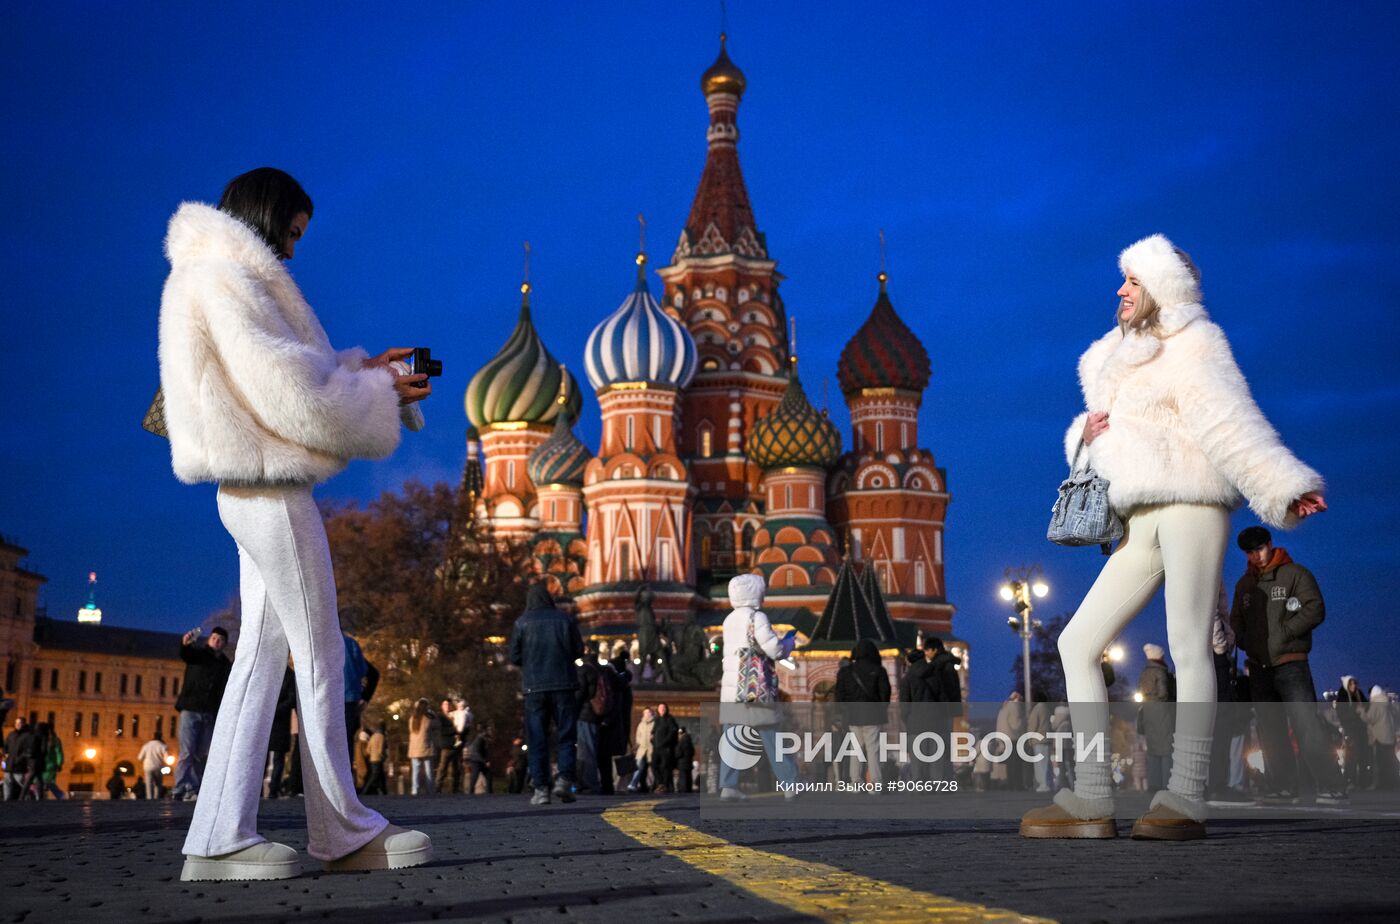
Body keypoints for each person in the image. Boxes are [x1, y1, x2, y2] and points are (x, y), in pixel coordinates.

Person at [158, 168, 432, 880]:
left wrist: (366, 369)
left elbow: (286, 374)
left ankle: (217, 837)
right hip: (271, 487)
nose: (292, 247)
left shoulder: (213, 273)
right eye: (292, 231)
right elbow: (287, 392)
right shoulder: (228, 279)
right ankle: (343, 831)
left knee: (261, 658)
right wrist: (375, 389)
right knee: (320, 653)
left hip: (249, 486)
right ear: (268, 216)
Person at [1022, 235, 1327, 842]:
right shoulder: (1113, 354)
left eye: (1134, 281)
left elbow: (1230, 423)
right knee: (1077, 642)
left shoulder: (1195, 343)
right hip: (1139, 515)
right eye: (1124, 279)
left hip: (1191, 502)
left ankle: (1185, 797)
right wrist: (1086, 436)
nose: (1121, 290)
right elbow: (1105, 442)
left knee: (1188, 647)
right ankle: (1091, 798)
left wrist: (1282, 486)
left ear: (1163, 287)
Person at [1229, 525, 1346, 805]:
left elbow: (1315, 608)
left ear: (1270, 544)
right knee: (1270, 731)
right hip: (1259, 667)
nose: (1255, 556)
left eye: (1259, 549)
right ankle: (1282, 786)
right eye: (1249, 552)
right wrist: (1246, 641)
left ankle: (1332, 786)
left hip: (1291, 664)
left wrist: (1285, 632)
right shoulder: (1244, 585)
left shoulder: (1295, 574)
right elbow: (1236, 620)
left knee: (1307, 725)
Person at [718, 574, 798, 800]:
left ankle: (728, 785)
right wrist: (788, 643)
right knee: (771, 736)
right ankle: (791, 784)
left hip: (732, 690)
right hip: (754, 688)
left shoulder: (729, 619)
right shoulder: (757, 617)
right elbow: (774, 650)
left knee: (732, 738)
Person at [509, 582, 583, 805]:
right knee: (566, 735)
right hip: (564, 685)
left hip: (534, 688)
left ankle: (541, 788)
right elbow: (578, 650)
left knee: (537, 738)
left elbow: (514, 656)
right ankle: (564, 780)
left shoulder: (522, 622)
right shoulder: (565, 620)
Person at [172, 626, 232, 802]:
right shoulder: (200, 654)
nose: (216, 641)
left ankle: (193, 788)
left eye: (220, 640)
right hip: (190, 709)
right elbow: (186, 654)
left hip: (209, 712)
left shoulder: (225, 664)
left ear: (224, 644)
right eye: (214, 638)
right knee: (187, 752)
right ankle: (180, 787)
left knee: (201, 753)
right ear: (209, 639)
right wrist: (185, 644)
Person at [834, 639, 891, 787]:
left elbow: (839, 695)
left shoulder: (845, 672)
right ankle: (876, 782)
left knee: (856, 749)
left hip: (853, 716)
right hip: (873, 716)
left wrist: (846, 711)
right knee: (873, 749)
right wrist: (881, 709)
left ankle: (855, 782)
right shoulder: (879, 670)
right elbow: (885, 694)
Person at [1137, 644, 1176, 792]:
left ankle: (1153, 783)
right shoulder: (1160, 672)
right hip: (1162, 713)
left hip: (1149, 713)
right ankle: (1167, 783)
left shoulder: (1144, 672)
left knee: (1153, 750)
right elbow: (1163, 693)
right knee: (1166, 750)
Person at [342, 633, 379, 769]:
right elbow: (370, 672)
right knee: (346, 744)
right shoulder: (349, 644)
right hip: (349, 701)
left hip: (329, 700)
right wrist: (364, 697)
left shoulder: (317, 643)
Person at [575, 641, 607, 794]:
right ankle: (590, 783)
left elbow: (580, 693)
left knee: (585, 751)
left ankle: (590, 784)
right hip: (596, 714)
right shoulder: (601, 668)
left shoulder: (584, 669)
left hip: (585, 714)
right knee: (591, 749)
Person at [1336, 675, 1371, 791]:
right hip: (1351, 729)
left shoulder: (1358, 694)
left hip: (1361, 729)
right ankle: (1350, 780)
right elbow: (1341, 714)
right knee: (1351, 755)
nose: (1354, 686)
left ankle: (1363, 781)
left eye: (1355, 683)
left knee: (1362, 755)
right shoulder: (1343, 696)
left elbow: (1367, 706)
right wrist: (1355, 714)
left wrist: (1362, 710)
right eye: (1351, 684)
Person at [266, 666, 296, 799]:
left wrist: (274, 709)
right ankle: (272, 789)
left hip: (278, 720)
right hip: (275, 718)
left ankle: (273, 788)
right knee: (272, 757)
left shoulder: (286, 674)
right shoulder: (287, 674)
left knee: (278, 757)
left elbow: (292, 698)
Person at [1364, 686, 1397, 791]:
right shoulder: (1387, 703)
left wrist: (1361, 712)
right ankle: (1391, 783)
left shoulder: (1376, 704)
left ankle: (1379, 784)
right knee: (1389, 761)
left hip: (1380, 737)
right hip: (1389, 736)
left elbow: (1370, 719)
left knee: (1379, 762)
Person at [407, 699, 437, 796]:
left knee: (415, 771)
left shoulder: (412, 719)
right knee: (429, 771)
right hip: (426, 747)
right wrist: (432, 713)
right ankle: (430, 790)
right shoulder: (428, 719)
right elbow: (437, 725)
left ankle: (415, 790)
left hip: (414, 749)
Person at [434, 698, 462, 795]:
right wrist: (454, 729)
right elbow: (441, 730)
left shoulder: (455, 715)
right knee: (442, 769)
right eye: (445, 704)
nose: (447, 706)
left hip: (456, 746)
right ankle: (438, 789)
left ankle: (455, 789)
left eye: (448, 704)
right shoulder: (440, 717)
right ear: (442, 706)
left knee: (457, 769)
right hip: (446, 746)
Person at [651, 703, 680, 793]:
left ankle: (664, 785)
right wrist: (652, 739)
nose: (662, 709)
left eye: (663, 708)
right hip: (656, 747)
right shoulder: (657, 719)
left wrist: (665, 742)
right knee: (654, 765)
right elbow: (653, 731)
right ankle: (660, 783)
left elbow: (673, 732)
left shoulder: (670, 719)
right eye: (660, 708)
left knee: (665, 767)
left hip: (666, 748)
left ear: (666, 709)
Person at [4, 718, 32, 801]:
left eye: (20, 723)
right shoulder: (11, 734)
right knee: (7, 783)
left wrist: (20, 759)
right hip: (9, 764)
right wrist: (6, 754)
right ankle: (6, 801)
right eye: (16, 723)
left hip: (19, 766)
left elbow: (28, 750)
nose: (17, 724)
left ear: (24, 724)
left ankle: (28, 799)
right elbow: (6, 745)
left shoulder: (27, 736)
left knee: (21, 782)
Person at [629, 708, 655, 793]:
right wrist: (636, 746)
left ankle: (654, 785)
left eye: (649, 712)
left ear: (652, 713)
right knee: (638, 768)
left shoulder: (655, 723)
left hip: (652, 750)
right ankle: (633, 784)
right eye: (645, 713)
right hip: (641, 750)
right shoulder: (641, 724)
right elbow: (638, 737)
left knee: (653, 770)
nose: (647, 714)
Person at [139, 732, 172, 801]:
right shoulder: (163, 746)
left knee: (148, 783)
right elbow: (166, 759)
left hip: (147, 766)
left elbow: (140, 758)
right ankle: (156, 798)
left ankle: (149, 798)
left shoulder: (146, 745)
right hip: (158, 766)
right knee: (158, 784)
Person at [35, 723, 64, 800]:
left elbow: (59, 752)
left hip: (47, 765)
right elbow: (59, 752)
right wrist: (59, 763)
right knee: (46, 783)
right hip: (47, 765)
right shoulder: (52, 739)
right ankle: (59, 795)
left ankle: (60, 795)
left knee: (46, 782)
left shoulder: (53, 740)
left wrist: (59, 763)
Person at [464, 725, 492, 795]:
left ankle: (489, 792)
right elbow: (476, 753)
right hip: (476, 761)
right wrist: (485, 761)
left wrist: (486, 760)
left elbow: (484, 752)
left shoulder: (483, 740)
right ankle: (471, 791)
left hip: (481, 761)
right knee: (475, 776)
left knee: (488, 775)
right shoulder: (479, 740)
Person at [362, 724, 388, 796]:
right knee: (374, 776)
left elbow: (368, 749)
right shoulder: (382, 737)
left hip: (372, 759)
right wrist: (383, 756)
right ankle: (365, 790)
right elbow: (381, 749)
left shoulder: (373, 736)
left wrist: (371, 754)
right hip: (378, 759)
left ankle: (384, 791)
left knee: (381, 775)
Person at [675, 727, 696, 793]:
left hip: (682, 764)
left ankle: (684, 791)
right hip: (689, 763)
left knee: (683, 779)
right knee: (689, 777)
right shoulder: (689, 741)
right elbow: (693, 752)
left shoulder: (681, 742)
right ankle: (689, 790)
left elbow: (678, 753)